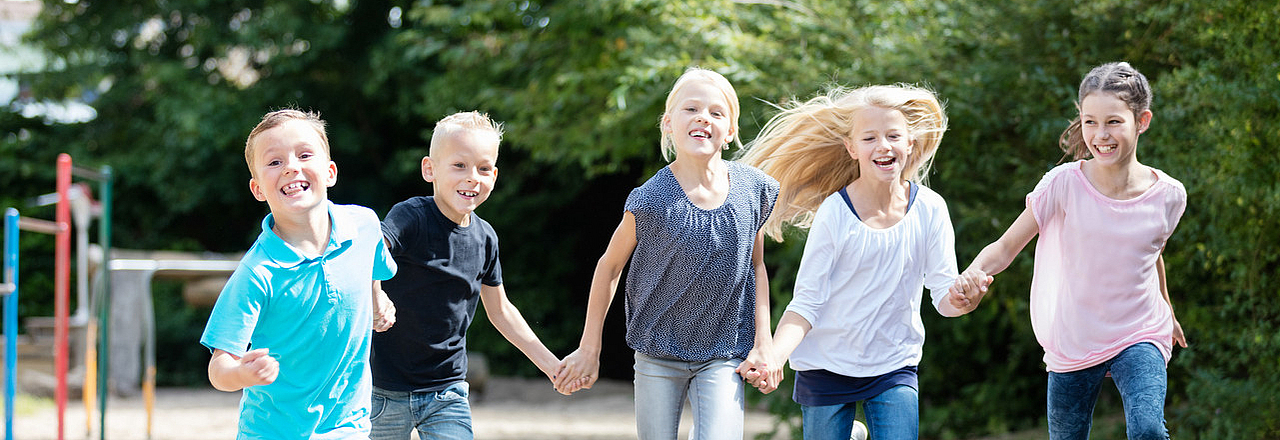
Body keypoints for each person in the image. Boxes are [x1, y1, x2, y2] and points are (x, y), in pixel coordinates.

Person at [952, 62, 1186, 440]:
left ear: (1142, 121)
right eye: (1090, 122)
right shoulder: (1063, 185)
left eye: (1113, 122)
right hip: (1074, 338)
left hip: (1141, 330)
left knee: (1147, 430)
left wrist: (1168, 312)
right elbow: (1007, 246)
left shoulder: (1169, 195)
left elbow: (1149, 253)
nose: (1100, 134)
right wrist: (973, 272)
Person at [736, 84, 978, 440]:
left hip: (893, 364)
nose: (883, 145)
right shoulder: (836, 212)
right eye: (869, 138)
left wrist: (961, 299)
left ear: (910, 143)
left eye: (893, 135)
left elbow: (944, 297)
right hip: (826, 364)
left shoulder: (930, 209)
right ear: (851, 148)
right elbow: (806, 302)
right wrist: (775, 355)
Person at [553, 67, 781, 439]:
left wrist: (764, 342)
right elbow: (609, 267)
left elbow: (756, 267)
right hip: (657, 354)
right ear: (668, 124)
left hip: (723, 354)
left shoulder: (752, 190)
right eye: (690, 109)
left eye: (716, 112)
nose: (703, 117)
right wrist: (589, 347)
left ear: (731, 132)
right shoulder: (650, 200)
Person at [201, 108, 398, 439]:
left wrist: (377, 296)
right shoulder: (257, 272)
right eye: (275, 162)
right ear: (258, 189)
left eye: (305, 154)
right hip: (272, 432)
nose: (291, 166)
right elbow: (219, 369)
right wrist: (242, 374)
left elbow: (372, 267)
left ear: (331, 171)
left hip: (348, 427)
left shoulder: (364, 226)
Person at [370, 111, 563, 440]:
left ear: (494, 175)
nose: (473, 177)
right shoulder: (410, 217)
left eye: (483, 168)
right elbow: (369, 252)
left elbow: (501, 311)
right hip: (384, 390)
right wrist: (377, 295)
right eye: (459, 165)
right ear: (429, 169)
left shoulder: (485, 238)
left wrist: (551, 366)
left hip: (447, 391)